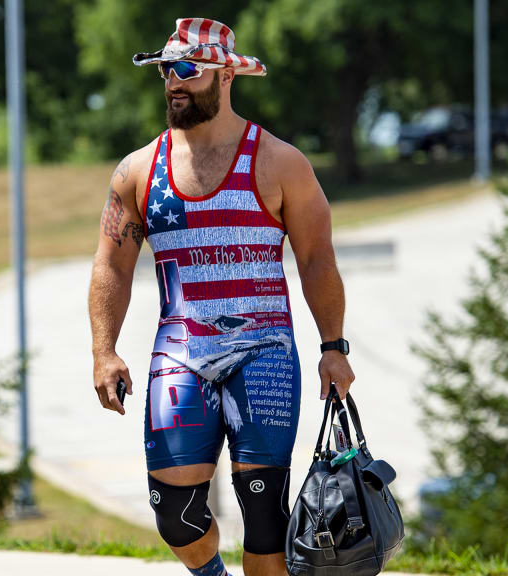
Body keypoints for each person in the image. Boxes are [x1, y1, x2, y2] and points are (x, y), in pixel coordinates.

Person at [88, 17, 355, 576]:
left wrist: (334, 346)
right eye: (166, 70)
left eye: (188, 69)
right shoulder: (139, 170)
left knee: (264, 516)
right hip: (180, 351)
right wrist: (104, 350)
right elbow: (113, 261)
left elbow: (316, 260)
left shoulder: (281, 162)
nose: (174, 82)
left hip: (265, 353)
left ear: (226, 75)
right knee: (175, 517)